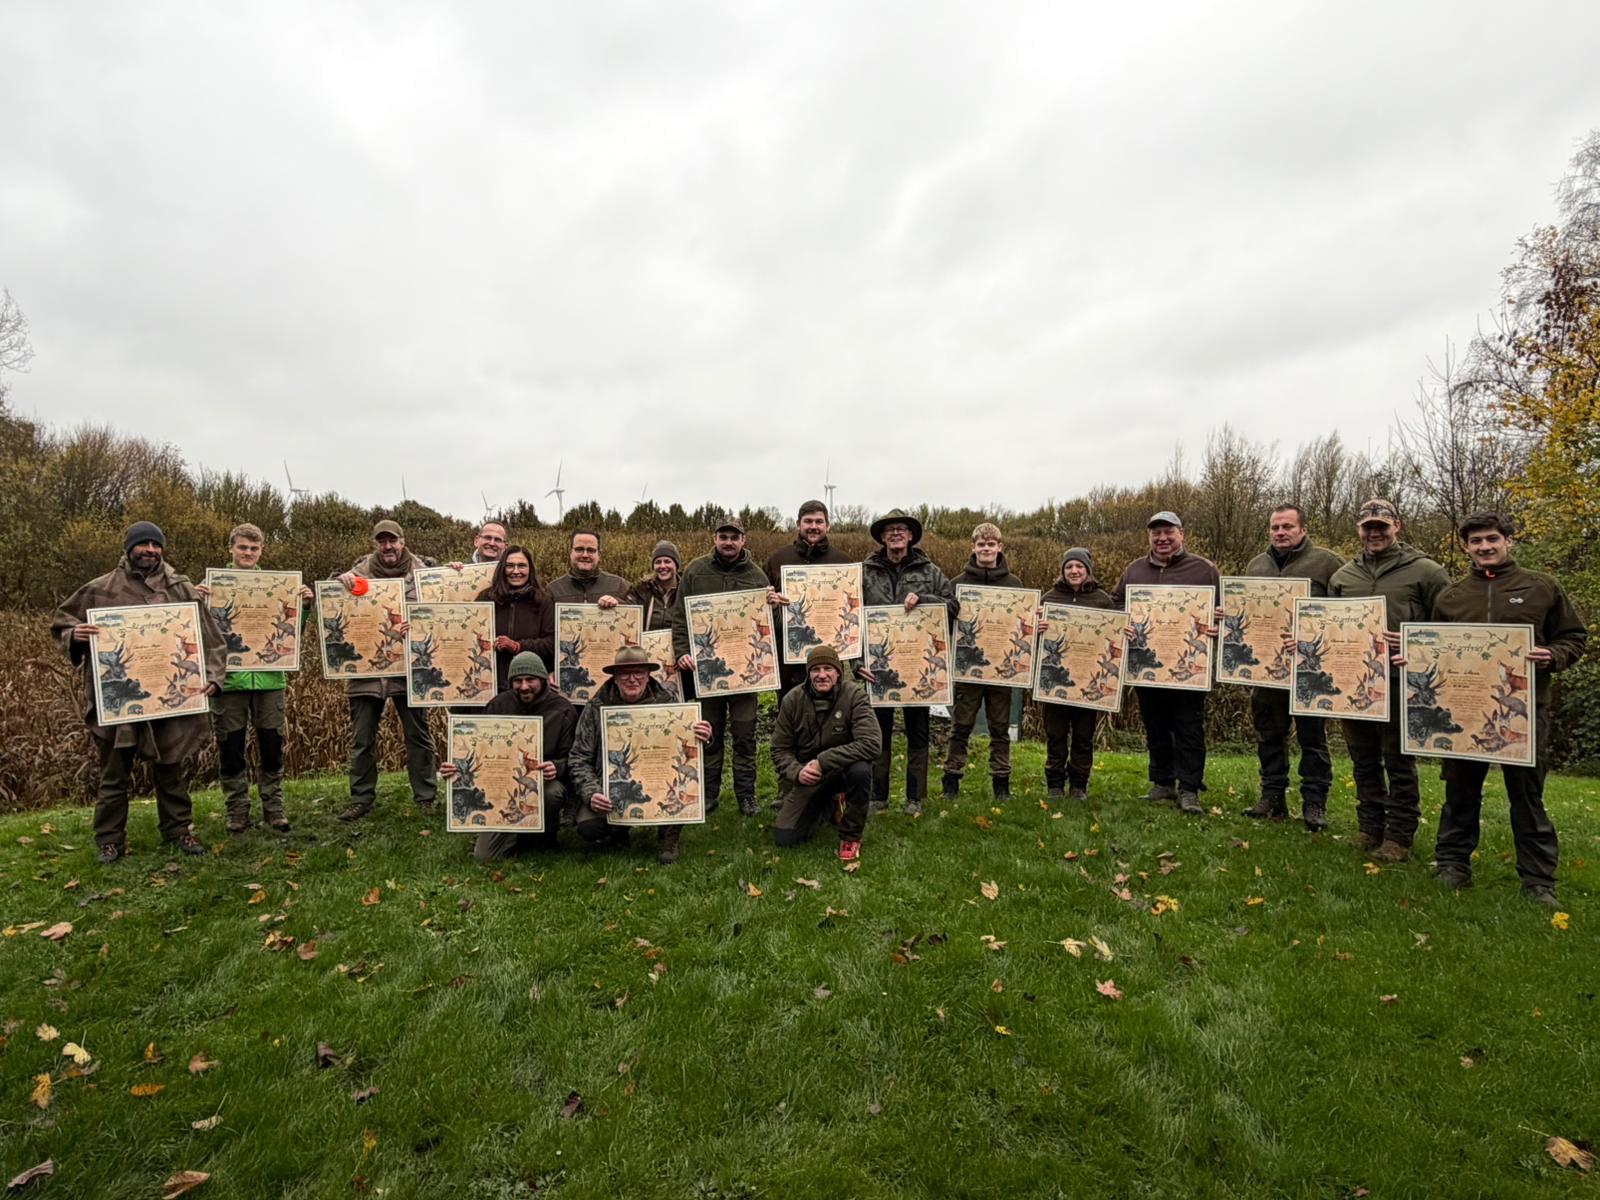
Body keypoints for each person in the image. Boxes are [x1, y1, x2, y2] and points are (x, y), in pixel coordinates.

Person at [1427, 512, 1587, 906]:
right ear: (1466, 546)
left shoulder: (1541, 587)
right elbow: (1432, 648)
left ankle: (1538, 880)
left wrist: (1552, 654)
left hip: (1525, 711)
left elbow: (1574, 637)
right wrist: (1415, 660)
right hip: (1466, 713)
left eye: (1492, 539)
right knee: (1460, 791)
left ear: (1508, 541)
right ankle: (1452, 865)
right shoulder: (1451, 597)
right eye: (1476, 541)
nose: (1485, 547)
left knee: (1527, 795)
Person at [51, 521, 227, 863]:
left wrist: (213, 676)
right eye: (143, 544)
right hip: (121, 700)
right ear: (129, 547)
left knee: (171, 768)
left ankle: (178, 830)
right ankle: (109, 839)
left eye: (156, 544)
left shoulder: (181, 588)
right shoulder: (101, 589)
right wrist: (75, 634)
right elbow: (62, 623)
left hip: (169, 697)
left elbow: (212, 638)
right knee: (114, 774)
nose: (150, 550)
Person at [1327, 498, 1451, 862]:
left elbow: (1448, 628)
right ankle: (1369, 827)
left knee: (1397, 759)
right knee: (1362, 758)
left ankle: (1398, 836)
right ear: (1358, 530)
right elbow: (1329, 626)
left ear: (1397, 525)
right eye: (1368, 526)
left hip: (1404, 683)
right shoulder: (1343, 576)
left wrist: (1413, 641)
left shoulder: (1427, 572)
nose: (1375, 532)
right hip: (1356, 684)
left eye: (1382, 525)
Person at [197, 522, 315, 834]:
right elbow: (197, 635)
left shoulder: (277, 586)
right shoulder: (211, 588)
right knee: (231, 748)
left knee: (272, 746)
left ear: (261, 550)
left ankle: (274, 808)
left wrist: (303, 607)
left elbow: (292, 636)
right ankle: (237, 810)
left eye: (254, 548)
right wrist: (195, 602)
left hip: (270, 680)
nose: (248, 553)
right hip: (229, 682)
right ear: (231, 549)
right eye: (242, 548)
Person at [1238, 505, 1345, 830]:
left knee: (1313, 739)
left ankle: (1314, 803)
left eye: (1287, 526)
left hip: (1310, 671)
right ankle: (1272, 797)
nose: (1280, 533)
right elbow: (1244, 611)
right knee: (1269, 734)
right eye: (1275, 527)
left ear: (1303, 529)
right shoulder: (1256, 565)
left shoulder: (1328, 563)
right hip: (1266, 670)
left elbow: (1345, 615)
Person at [1112, 511, 1220, 816]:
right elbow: (1116, 602)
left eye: (1168, 532)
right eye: (1156, 533)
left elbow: (1226, 610)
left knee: (1188, 728)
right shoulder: (1134, 571)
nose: (1162, 538)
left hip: (1189, 669)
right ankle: (1162, 782)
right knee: (1155, 725)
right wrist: (1123, 621)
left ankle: (1189, 788)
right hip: (1148, 665)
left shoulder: (1204, 570)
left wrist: (1217, 625)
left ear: (1181, 534)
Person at [671, 518, 781, 816]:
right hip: (708, 673)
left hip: (746, 676)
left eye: (734, 537)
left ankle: (746, 795)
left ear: (744, 540)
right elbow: (680, 617)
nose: (728, 542)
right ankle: (709, 794)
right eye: (723, 536)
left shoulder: (757, 576)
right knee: (710, 735)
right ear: (715, 538)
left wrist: (773, 608)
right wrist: (682, 651)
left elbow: (771, 628)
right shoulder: (696, 571)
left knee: (745, 737)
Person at [568, 645, 713, 864]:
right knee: (589, 826)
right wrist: (592, 793)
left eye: (639, 673)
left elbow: (688, 750)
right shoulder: (596, 707)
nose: (632, 679)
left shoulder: (669, 703)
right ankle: (617, 829)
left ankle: (668, 836)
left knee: (679, 786)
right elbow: (579, 758)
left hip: (660, 781)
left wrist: (704, 737)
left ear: (648, 676)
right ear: (615, 677)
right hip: (613, 787)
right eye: (625, 673)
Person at [335, 520, 439, 822]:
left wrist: (417, 627)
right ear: (375, 544)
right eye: (382, 541)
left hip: (410, 670)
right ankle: (361, 799)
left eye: (392, 540)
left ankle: (425, 797)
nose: (388, 546)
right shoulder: (355, 576)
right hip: (366, 673)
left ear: (403, 542)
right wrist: (336, 582)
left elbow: (443, 613)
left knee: (418, 736)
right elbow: (333, 606)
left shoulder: (425, 575)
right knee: (362, 739)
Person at [858, 508, 958, 816]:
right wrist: (856, 663)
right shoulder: (865, 571)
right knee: (879, 732)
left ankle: (916, 797)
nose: (896, 534)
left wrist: (925, 599)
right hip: (879, 667)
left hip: (918, 667)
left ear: (911, 535)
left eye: (902, 529)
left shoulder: (929, 571)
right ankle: (878, 796)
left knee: (918, 732)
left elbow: (954, 606)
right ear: (882, 537)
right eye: (890, 530)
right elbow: (848, 618)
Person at [440, 652, 577, 864]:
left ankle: (544, 837)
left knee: (552, 793)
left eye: (530, 680)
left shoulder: (563, 709)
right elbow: (478, 752)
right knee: (484, 857)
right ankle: (513, 833)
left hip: (541, 783)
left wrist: (556, 767)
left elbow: (572, 757)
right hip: (501, 788)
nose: (524, 687)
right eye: (517, 681)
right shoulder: (497, 705)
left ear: (542, 679)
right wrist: (454, 768)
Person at [771, 645, 882, 862]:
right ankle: (830, 804)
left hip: (843, 770)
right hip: (810, 775)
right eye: (816, 670)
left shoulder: (854, 696)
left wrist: (823, 761)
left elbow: (871, 743)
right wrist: (797, 772)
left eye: (828, 669)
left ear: (838, 672)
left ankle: (851, 835)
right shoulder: (792, 700)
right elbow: (779, 749)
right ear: (808, 673)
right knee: (785, 837)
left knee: (860, 770)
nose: (822, 675)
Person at [942, 522, 1028, 800]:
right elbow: (945, 624)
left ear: (999, 547)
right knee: (961, 725)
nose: (986, 549)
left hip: (1001, 670)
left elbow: (1020, 625)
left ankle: (1001, 783)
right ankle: (951, 779)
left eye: (991, 544)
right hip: (968, 668)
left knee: (1000, 728)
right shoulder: (957, 584)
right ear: (973, 547)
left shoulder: (1014, 585)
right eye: (981, 544)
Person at [1037, 547, 1116, 802]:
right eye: (1069, 566)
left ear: (1087, 570)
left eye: (1079, 566)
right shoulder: (1049, 598)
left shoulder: (1102, 600)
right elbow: (1035, 641)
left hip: (1088, 680)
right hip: (1056, 679)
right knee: (1055, 734)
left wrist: (1121, 634)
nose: (1074, 571)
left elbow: (1112, 635)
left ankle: (1079, 784)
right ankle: (1055, 783)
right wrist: (1038, 629)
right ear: (1063, 571)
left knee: (1083, 736)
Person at [764, 500, 853, 700]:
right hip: (789, 654)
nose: (813, 526)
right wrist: (772, 603)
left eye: (819, 522)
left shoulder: (844, 562)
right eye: (808, 521)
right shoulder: (777, 559)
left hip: (830, 655)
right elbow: (761, 608)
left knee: (832, 707)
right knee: (790, 707)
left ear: (828, 526)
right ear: (798, 524)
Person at [475, 545, 555, 690]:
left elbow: (552, 643)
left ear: (530, 569)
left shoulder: (543, 601)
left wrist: (518, 647)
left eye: (522, 566)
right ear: (502, 569)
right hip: (491, 685)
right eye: (510, 566)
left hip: (528, 688)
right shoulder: (486, 598)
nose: (516, 571)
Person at [546, 529, 628, 607]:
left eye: (591, 550)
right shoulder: (553, 590)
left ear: (599, 555)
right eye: (579, 549)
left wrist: (619, 605)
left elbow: (636, 614)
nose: (585, 555)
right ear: (570, 553)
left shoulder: (618, 585)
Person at [624, 541, 682, 632]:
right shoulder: (640, 591)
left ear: (676, 565)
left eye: (667, 561)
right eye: (658, 562)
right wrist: (612, 602)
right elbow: (625, 610)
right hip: (647, 645)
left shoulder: (687, 590)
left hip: (678, 645)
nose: (662, 566)